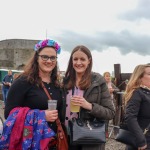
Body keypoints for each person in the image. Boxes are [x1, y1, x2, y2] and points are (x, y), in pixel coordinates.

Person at [4, 39, 65, 149]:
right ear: (37, 58)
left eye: (53, 58)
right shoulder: (23, 81)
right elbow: (8, 114)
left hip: (53, 143)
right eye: (44, 57)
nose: (49, 61)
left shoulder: (56, 84)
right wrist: (41, 116)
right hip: (30, 143)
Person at [63, 45, 115, 150]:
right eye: (75, 59)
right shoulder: (66, 81)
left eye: (82, 59)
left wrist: (89, 106)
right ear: (71, 61)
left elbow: (110, 112)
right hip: (66, 136)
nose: (78, 62)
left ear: (89, 61)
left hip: (88, 136)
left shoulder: (98, 80)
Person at [124, 64, 150, 150]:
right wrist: (141, 141)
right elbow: (130, 117)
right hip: (143, 141)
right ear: (140, 77)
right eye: (149, 74)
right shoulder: (137, 93)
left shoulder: (147, 92)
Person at [103, 72, 119, 136]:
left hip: (112, 102)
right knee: (106, 116)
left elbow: (117, 89)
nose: (108, 77)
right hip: (104, 102)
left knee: (115, 116)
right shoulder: (102, 84)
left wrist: (113, 90)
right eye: (106, 76)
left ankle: (116, 130)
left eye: (109, 76)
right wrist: (107, 91)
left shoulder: (111, 84)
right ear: (104, 77)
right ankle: (105, 131)